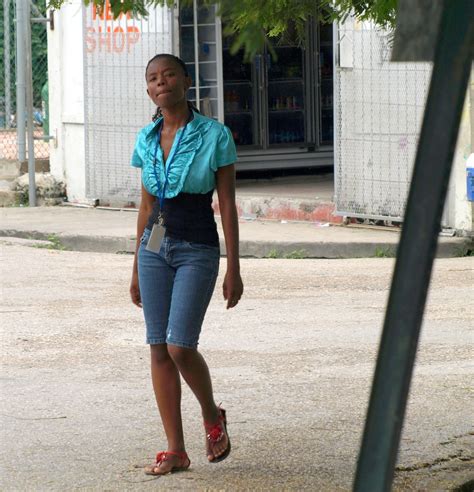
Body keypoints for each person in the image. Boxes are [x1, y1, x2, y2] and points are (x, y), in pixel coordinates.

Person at [129, 53, 243, 476]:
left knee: (180, 345)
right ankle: (175, 450)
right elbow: (145, 206)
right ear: (148, 90)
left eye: (169, 75)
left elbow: (227, 205)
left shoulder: (215, 135)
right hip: (154, 249)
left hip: (197, 247)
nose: (162, 83)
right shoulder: (145, 138)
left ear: (186, 81)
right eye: (154, 78)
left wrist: (234, 266)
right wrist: (136, 266)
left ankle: (212, 415)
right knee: (157, 347)